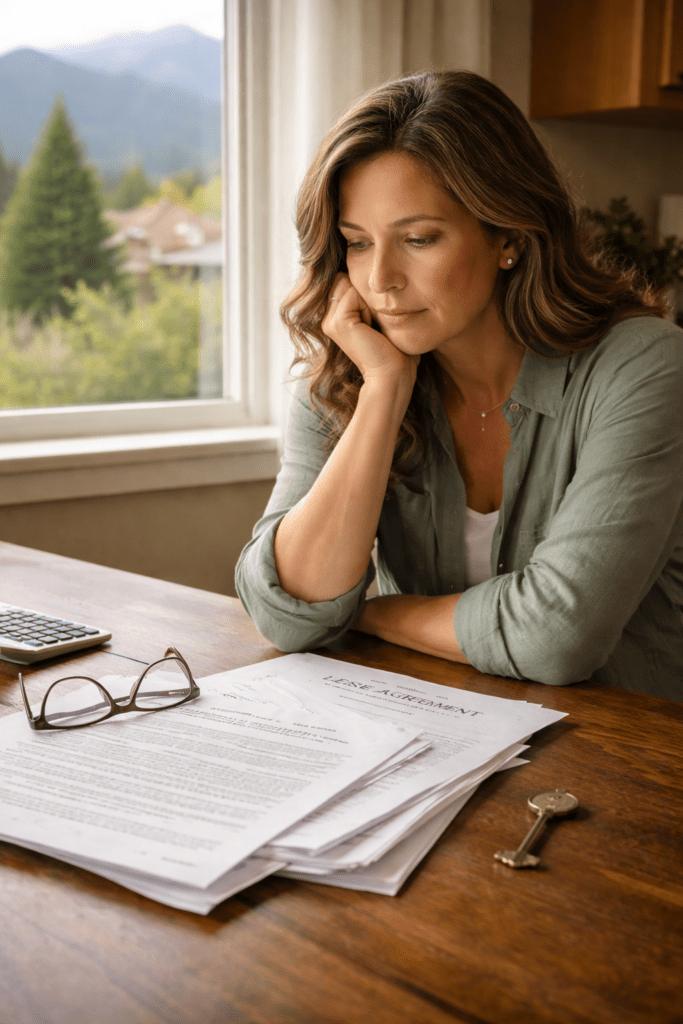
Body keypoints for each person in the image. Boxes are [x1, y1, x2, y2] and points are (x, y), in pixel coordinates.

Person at [236, 70, 683, 702]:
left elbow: (556, 637)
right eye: (357, 244)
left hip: (633, 755)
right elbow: (284, 614)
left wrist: (361, 613)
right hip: (439, 737)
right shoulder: (348, 376)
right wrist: (385, 390)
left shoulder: (644, 367)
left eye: (418, 238)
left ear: (508, 235)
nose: (381, 279)